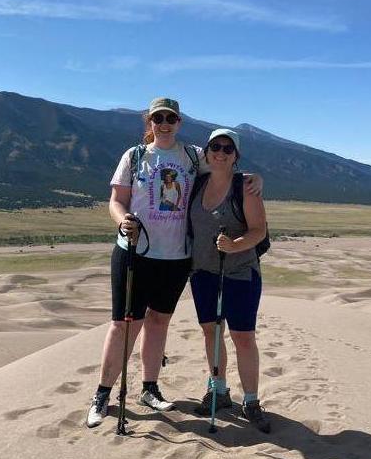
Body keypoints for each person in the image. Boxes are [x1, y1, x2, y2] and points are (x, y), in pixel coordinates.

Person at [86, 99, 262, 428]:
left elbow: (224, 166)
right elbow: (115, 200)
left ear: (179, 121)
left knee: (158, 324)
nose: (164, 123)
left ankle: (150, 387)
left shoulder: (194, 155)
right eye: (158, 118)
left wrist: (254, 178)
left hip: (177, 258)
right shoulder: (134, 156)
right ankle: (102, 393)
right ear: (149, 121)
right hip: (135, 252)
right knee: (123, 325)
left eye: (170, 118)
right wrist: (122, 219)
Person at [189, 128, 270, 433]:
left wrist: (235, 245)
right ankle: (219, 391)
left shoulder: (245, 188)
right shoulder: (196, 184)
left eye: (227, 149)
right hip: (203, 271)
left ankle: (251, 401)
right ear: (207, 152)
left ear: (236, 156)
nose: (220, 153)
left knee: (243, 337)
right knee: (211, 332)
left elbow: (258, 229)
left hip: (239, 272)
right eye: (215, 147)